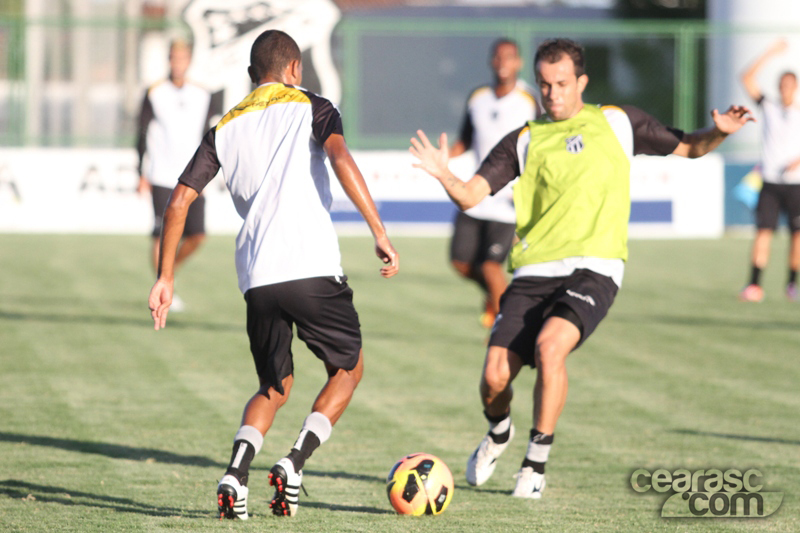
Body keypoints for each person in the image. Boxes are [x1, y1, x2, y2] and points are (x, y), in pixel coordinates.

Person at [410, 38, 752, 499]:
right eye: (546, 85)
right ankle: (499, 432)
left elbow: (691, 148)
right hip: (533, 272)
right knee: (494, 378)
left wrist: (721, 132)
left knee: (552, 348)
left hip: (596, 267)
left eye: (562, 84)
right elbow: (472, 195)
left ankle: (534, 464)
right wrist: (443, 173)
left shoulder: (618, 122)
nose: (552, 94)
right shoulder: (524, 139)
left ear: (582, 82)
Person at [148, 30, 399, 519]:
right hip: (311, 265)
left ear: (250, 76)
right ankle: (294, 462)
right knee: (349, 369)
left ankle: (236, 473)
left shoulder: (226, 124)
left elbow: (179, 200)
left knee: (274, 386)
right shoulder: (311, 105)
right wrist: (379, 230)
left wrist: (165, 276)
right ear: (294, 70)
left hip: (257, 277)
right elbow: (341, 157)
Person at [449, 38, 540, 328]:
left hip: (508, 201)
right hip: (475, 193)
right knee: (461, 264)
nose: (503, 63)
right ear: (491, 61)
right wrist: (441, 159)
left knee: (491, 265)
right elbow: (465, 139)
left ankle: (506, 328)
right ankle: (494, 296)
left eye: (510, 57)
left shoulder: (529, 100)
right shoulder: (478, 97)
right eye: (498, 57)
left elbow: (541, 148)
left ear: (519, 63)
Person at [137, 39, 214, 311]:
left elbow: (207, 137)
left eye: (182, 58)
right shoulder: (154, 92)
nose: (177, 63)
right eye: (173, 58)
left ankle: (169, 273)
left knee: (198, 235)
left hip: (192, 176)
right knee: (161, 235)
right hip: (160, 174)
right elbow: (142, 132)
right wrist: (140, 171)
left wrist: (206, 175)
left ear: (188, 60)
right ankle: (164, 284)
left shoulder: (202, 93)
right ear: (168, 60)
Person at [738, 39, 800, 302]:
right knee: (763, 233)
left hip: (796, 183)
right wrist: (770, 53)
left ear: (795, 87)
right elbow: (747, 78)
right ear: (778, 86)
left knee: (796, 235)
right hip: (771, 182)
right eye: (782, 84)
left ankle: (791, 285)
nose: (785, 88)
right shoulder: (769, 107)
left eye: (790, 84)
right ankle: (754, 285)